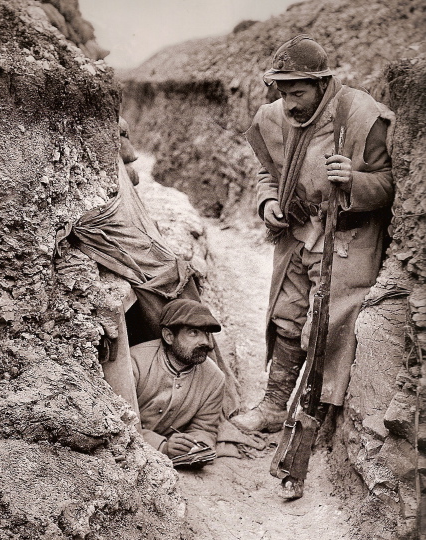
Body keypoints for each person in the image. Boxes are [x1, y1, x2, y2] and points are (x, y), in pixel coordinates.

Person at [232, 35, 394, 458]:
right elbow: (269, 173)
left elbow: (392, 185)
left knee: (325, 328)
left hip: (347, 238)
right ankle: (271, 406)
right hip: (298, 234)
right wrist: (268, 201)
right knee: (287, 317)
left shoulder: (361, 117)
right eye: (282, 92)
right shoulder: (273, 118)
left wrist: (355, 181)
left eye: (298, 92)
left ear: (323, 83)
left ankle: (317, 418)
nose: (289, 102)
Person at [131, 298, 225, 461]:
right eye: (194, 332)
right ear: (168, 336)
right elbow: (119, 420)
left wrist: (195, 447)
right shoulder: (134, 362)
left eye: (207, 333)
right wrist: (161, 446)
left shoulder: (215, 378)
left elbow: (204, 428)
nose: (206, 342)